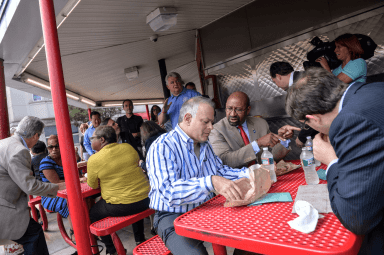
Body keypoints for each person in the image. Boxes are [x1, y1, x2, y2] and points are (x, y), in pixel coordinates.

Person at [285, 67, 384, 254]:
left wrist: (331, 160)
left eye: (308, 125)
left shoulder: (350, 121)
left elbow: (356, 217)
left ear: (312, 118)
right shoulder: (368, 90)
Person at [147, 96, 251, 255]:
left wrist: (252, 172)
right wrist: (210, 182)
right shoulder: (162, 146)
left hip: (204, 207)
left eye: (212, 122)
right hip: (172, 215)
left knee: (251, 234)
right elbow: (168, 192)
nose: (211, 127)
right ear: (187, 118)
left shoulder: (204, 144)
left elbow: (220, 171)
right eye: (206, 122)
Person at [0, 116, 65, 255]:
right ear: (36, 135)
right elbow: (30, 186)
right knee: (34, 235)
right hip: (5, 208)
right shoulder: (19, 150)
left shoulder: (5, 143)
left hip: (5, 201)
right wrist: (59, 187)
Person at [87, 126, 150, 255]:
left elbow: (93, 185)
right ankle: (140, 239)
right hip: (145, 200)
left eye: (92, 138)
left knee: (93, 213)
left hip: (122, 207)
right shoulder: (128, 147)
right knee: (133, 197)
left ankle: (112, 250)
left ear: (102, 139)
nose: (90, 140)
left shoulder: (94, 159)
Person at [209, 91, 297, 168]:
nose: (233, 114)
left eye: (238, 110)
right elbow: (225, 161)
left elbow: (273, 157)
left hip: (265, 177)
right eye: (229, 108)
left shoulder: (260, 123)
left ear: (248, 110)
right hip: (238, 181)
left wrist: (282, 139)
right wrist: (257, 144)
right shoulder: (216, 130)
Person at [40, 135, 82, 244]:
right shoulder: (46, 162)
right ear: (47, 148)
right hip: (51, 195)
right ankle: (75, 232)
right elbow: (56, 184)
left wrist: (79, 180)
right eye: (50, 147)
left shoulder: (67, 158)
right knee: (71, 201)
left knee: (86, 198)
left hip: (69, 190)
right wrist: (79, 181)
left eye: (57, 146)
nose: (54, 149)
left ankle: (87, 226)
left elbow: (77, 175)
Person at [270, 61, 319, 147]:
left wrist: (302, 137)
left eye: (275, 82)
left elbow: (314, 113)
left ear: (278, 76)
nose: (277, 86)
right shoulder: (303, 76)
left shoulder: (299, 84)